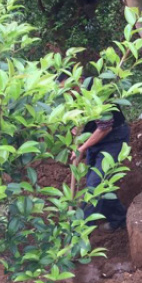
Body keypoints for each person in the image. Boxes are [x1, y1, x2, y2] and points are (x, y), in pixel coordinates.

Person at [58, 74, 129, 232]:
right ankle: (120, 218)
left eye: (69, 88)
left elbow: (105, 127)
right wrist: (75, 132)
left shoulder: (97, 91)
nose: (67, 93)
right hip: (93, 141)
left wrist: (82, 148)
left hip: (113, 138)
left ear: (80, 80)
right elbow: (75, 125)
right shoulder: (70, 98)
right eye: (63, 91)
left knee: (95, 185)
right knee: (99, 184)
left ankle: (79, 236)